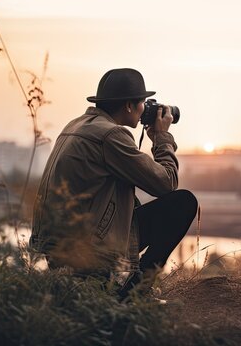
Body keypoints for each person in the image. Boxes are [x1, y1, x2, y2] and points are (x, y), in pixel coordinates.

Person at [30, 68, 198, 298]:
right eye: (143, 103)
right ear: (129, 105)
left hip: (60, 243)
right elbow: (166, 183)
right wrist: (162, 138)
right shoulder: (111, 136)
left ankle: (120, 289)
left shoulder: (74, 126)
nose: (144, 110)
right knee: (183, 203)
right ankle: (134, 296)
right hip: (88, 250)